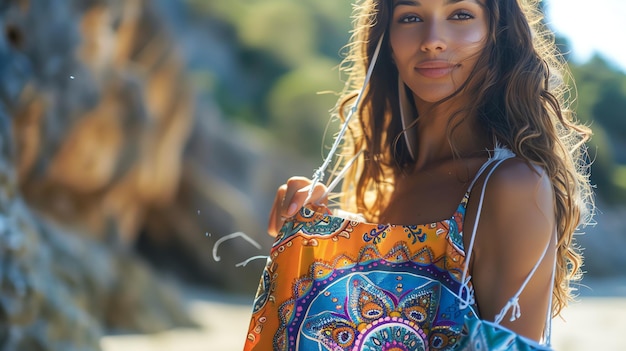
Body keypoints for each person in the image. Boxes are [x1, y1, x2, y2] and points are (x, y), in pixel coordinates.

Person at [244, 0, 593, 349]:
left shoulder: (511, 185)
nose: (432, 40)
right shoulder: (380, 185)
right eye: (410, 17)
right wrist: (313, 234)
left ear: (496, 35)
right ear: (387, 43)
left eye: (460, 14)